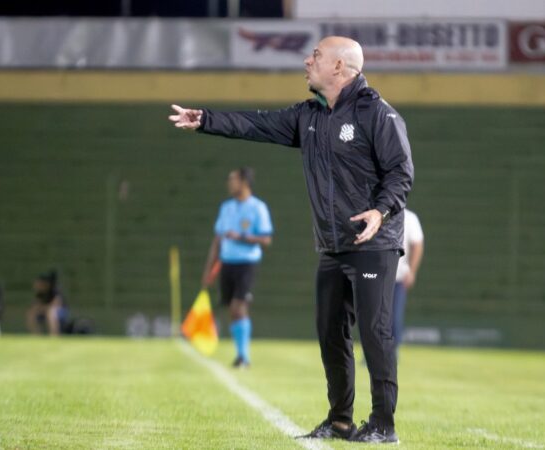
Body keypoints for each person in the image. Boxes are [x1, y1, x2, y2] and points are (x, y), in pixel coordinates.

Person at [169, 36, 413, 443]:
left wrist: (380, 210)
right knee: (330, 333)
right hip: (333, 247)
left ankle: (383, 426)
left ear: (339, 67)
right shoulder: (309, 116)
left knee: (375, 334)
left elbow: (401, 173)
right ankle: (340, 421)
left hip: (374, 243)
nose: (306, 61)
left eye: (315, 56)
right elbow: (257, 124)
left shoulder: (377, 113)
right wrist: (206, 119)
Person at [201, 167, 273, 369]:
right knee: (232, 310)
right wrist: (209, 268)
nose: (229, 183)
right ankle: (240, 355)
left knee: (238, 306)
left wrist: (242, 237)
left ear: (244, 182)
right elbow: (217, 240)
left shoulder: (258, 207)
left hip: (247, 263)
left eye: (233, 179)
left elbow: (266, 239)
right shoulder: (226, 207)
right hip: (227, 263)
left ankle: (244, 357)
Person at [392, 209, 424, 355]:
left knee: (395, 316)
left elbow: (417, 244)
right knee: (374, 317)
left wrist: (412, 271)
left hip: (398, 277)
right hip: (377, 276)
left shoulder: (410, 218)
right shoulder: (375, 213)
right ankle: (372, 353)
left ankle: (393, 350)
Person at [27, 270, 66, 336]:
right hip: (46, 310)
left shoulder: (55, 291)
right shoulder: (40, 293)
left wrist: (42, 308)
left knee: (51, 312)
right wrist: (39, 309)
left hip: (60, 312)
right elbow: (36, 305)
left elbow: (55, 305)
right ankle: (36, 335)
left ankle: (54, 336)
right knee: (31, 313)